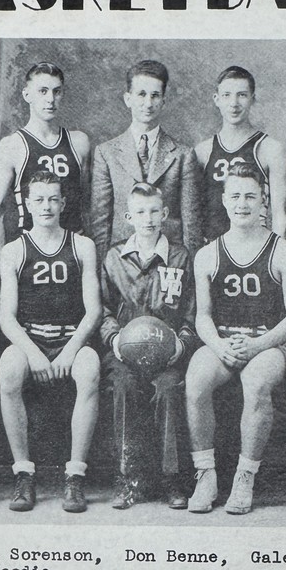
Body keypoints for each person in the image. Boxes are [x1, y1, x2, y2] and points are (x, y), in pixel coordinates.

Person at [186, 163, 286, 515]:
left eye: (250, 196)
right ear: (223, 201)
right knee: (196, 381)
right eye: (235, 196)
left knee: (255, 381)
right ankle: (205, 474)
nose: (242, 203)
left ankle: (244, 476)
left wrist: (258, 344)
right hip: (225, 340)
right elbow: (203, 316)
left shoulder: (283, 251)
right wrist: (219, 345)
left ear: (263, 201)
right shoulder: (207, 254)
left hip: (268, 343)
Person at [0, 172, 101, 513]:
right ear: (27, 204)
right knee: (9, 369)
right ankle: (24, 474)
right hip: (32, 339)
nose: (46, 206)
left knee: (90, 368)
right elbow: (7, 318)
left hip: (70, 337)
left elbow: (94, 312)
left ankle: (75, 477)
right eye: (39, 199)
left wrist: (70, 351)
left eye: (53, 199)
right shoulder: (14, 250)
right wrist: (34, 355)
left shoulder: (82, 245)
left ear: (63, 203)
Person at [100, 182, 197, 510]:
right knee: (123, 387)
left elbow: (191, 312)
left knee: (169, 390)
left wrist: (180, 346)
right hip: (124, 354)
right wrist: (113, 339)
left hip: (166, 354)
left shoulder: (180, 256)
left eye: (155, 210)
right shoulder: (114, 257)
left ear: (166, 214)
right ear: (129, 217)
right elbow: (102, 308)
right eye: (141, 212)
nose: (149, 218)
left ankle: (172, 479)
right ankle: (128, 479)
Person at [91, 59, 201, 264]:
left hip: (169, 260)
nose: (148, 103)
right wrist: (103, 270)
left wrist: (190, 269)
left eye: (155, 95)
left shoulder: (183, 155)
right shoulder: (106, 153)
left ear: (164, 101)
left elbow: (191, 224)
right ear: (128, 98)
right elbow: (100, 223)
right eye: (141, 94)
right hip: (123, 260)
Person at [0, 62, 91, 269]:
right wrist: (3, 267)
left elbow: (86, 206)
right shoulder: (12, 146)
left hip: (73, 250)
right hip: (30, 253)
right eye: (43, 91)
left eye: (56, 91)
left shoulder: (79, 143)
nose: (50, 99)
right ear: (27, 95)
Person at [195, 65, 286, 242]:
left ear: (253, 99)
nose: (234, 103)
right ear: (216, 99)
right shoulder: (203, 151)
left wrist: (275, 255)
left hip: (256, 249)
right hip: (213, 250)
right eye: (227, 95)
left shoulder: (270, 149)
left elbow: (279, 215)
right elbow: (195, 214)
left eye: (242, 95)